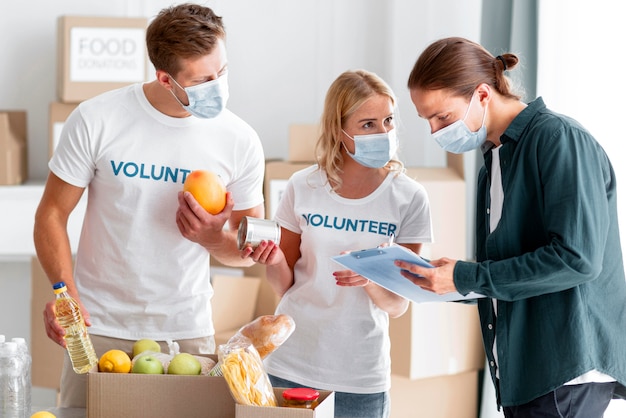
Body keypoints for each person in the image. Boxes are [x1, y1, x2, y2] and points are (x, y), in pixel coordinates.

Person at [33, 3, 265, 408]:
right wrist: (64, 295)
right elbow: (51, 214)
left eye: (222, 72)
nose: (219, 86)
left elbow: (247, 254)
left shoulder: (239, 139)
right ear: (165, 78)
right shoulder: (97, 119)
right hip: (97, 329)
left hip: (187, 332)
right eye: (204, 79)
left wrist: (213, 238)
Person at [399, 36, 626, 417]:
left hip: (563, 371)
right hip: (526, 371)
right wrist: (449, 278)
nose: (437, 131)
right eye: (428, 121)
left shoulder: (557, 139)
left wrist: (468, 277)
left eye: (443, 117)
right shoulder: (498, 157)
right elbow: (511, 267)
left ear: (483, 94)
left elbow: (576, 258)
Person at [243, 69, 433, 418]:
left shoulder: (409, 197)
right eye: (368, 124)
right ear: (338, 130)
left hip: (360, 375)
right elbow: (284, 285)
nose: (383, 133)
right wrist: (272, 261)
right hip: (292, 364)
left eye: (388, 121)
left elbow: (398, 305)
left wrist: (370, 279)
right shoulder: (303, 187)